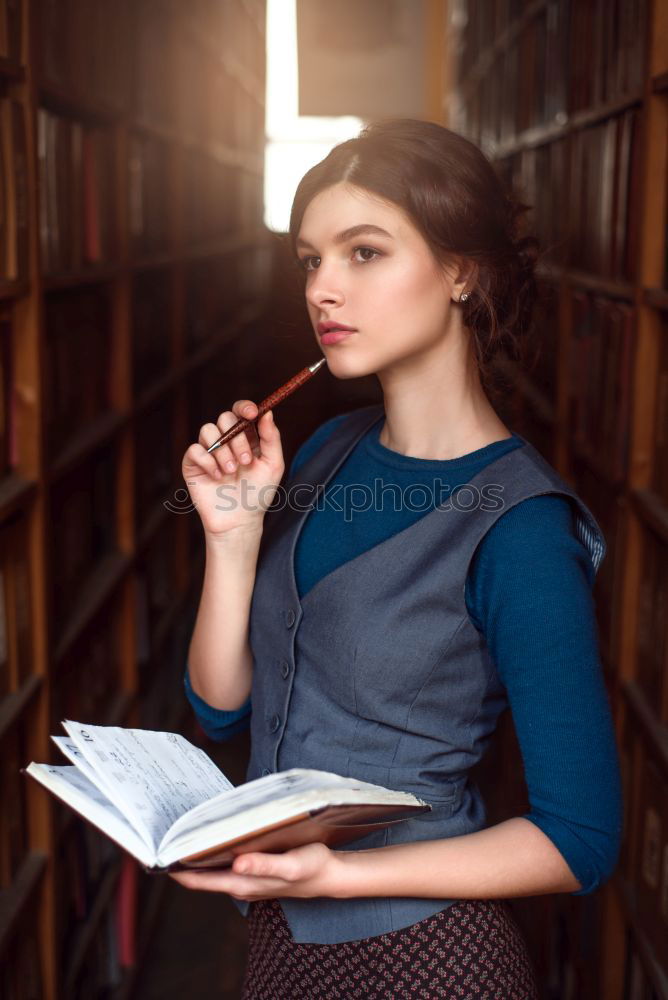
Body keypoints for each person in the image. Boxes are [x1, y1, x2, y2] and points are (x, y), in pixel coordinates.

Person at [174, 119, 622, 999]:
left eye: (365, 253)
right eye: (311, 260)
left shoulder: (523, 530)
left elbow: (581, 840)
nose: (324, 289)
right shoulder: (329, 449)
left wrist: (340, 878)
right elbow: (221, 710)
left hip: (426, 958)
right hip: (280, 944)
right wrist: (231, 540)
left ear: (463, 272)